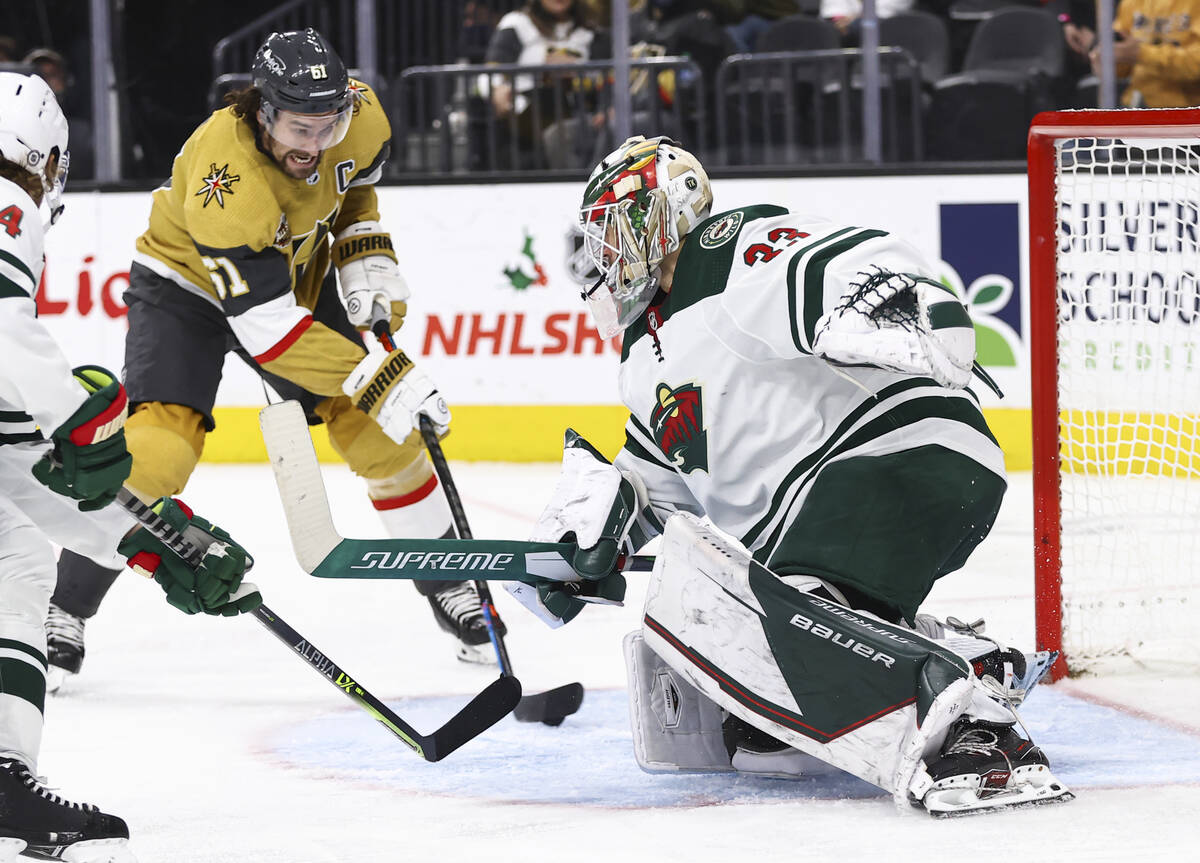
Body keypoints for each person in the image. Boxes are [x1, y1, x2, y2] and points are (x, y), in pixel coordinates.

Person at [507, 135, 1071, 815]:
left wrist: (912, 302)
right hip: (849, 500)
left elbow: (839, 255)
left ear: (657, 214)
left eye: (612, 230)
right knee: (758, 726)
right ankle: (959, 655)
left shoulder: (722, 252)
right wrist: (580, 547)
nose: (603, 256)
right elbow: (656, 479)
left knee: (745, 620)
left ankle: (975, 732)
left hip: (892, 452)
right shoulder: (642, 356)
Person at [45, 27, 500, 688]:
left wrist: (365, 248)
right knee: (158, 451)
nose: (313, 146)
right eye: (297, 130)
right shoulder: (221, 177)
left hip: (294, 275)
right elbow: (269, 331)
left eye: (326, 126)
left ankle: (451, 584)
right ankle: (62, 610)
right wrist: (378, 376)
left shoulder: (360, 116)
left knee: (381, 434)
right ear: (262, 112)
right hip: (187, 290)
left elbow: (354, 192)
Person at [0, 70, 259, 862]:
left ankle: (4, 781)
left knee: (14, 568)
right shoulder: (7, 203)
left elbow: (19, 466)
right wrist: (77, 416)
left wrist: (154, 542)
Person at [1088, 0, 1200, 108]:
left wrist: (1140, 53)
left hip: (1186, 109)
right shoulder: (1131, 2)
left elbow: (1196, 66)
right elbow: (1122, 68)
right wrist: (1106, 61)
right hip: (1135, 104)